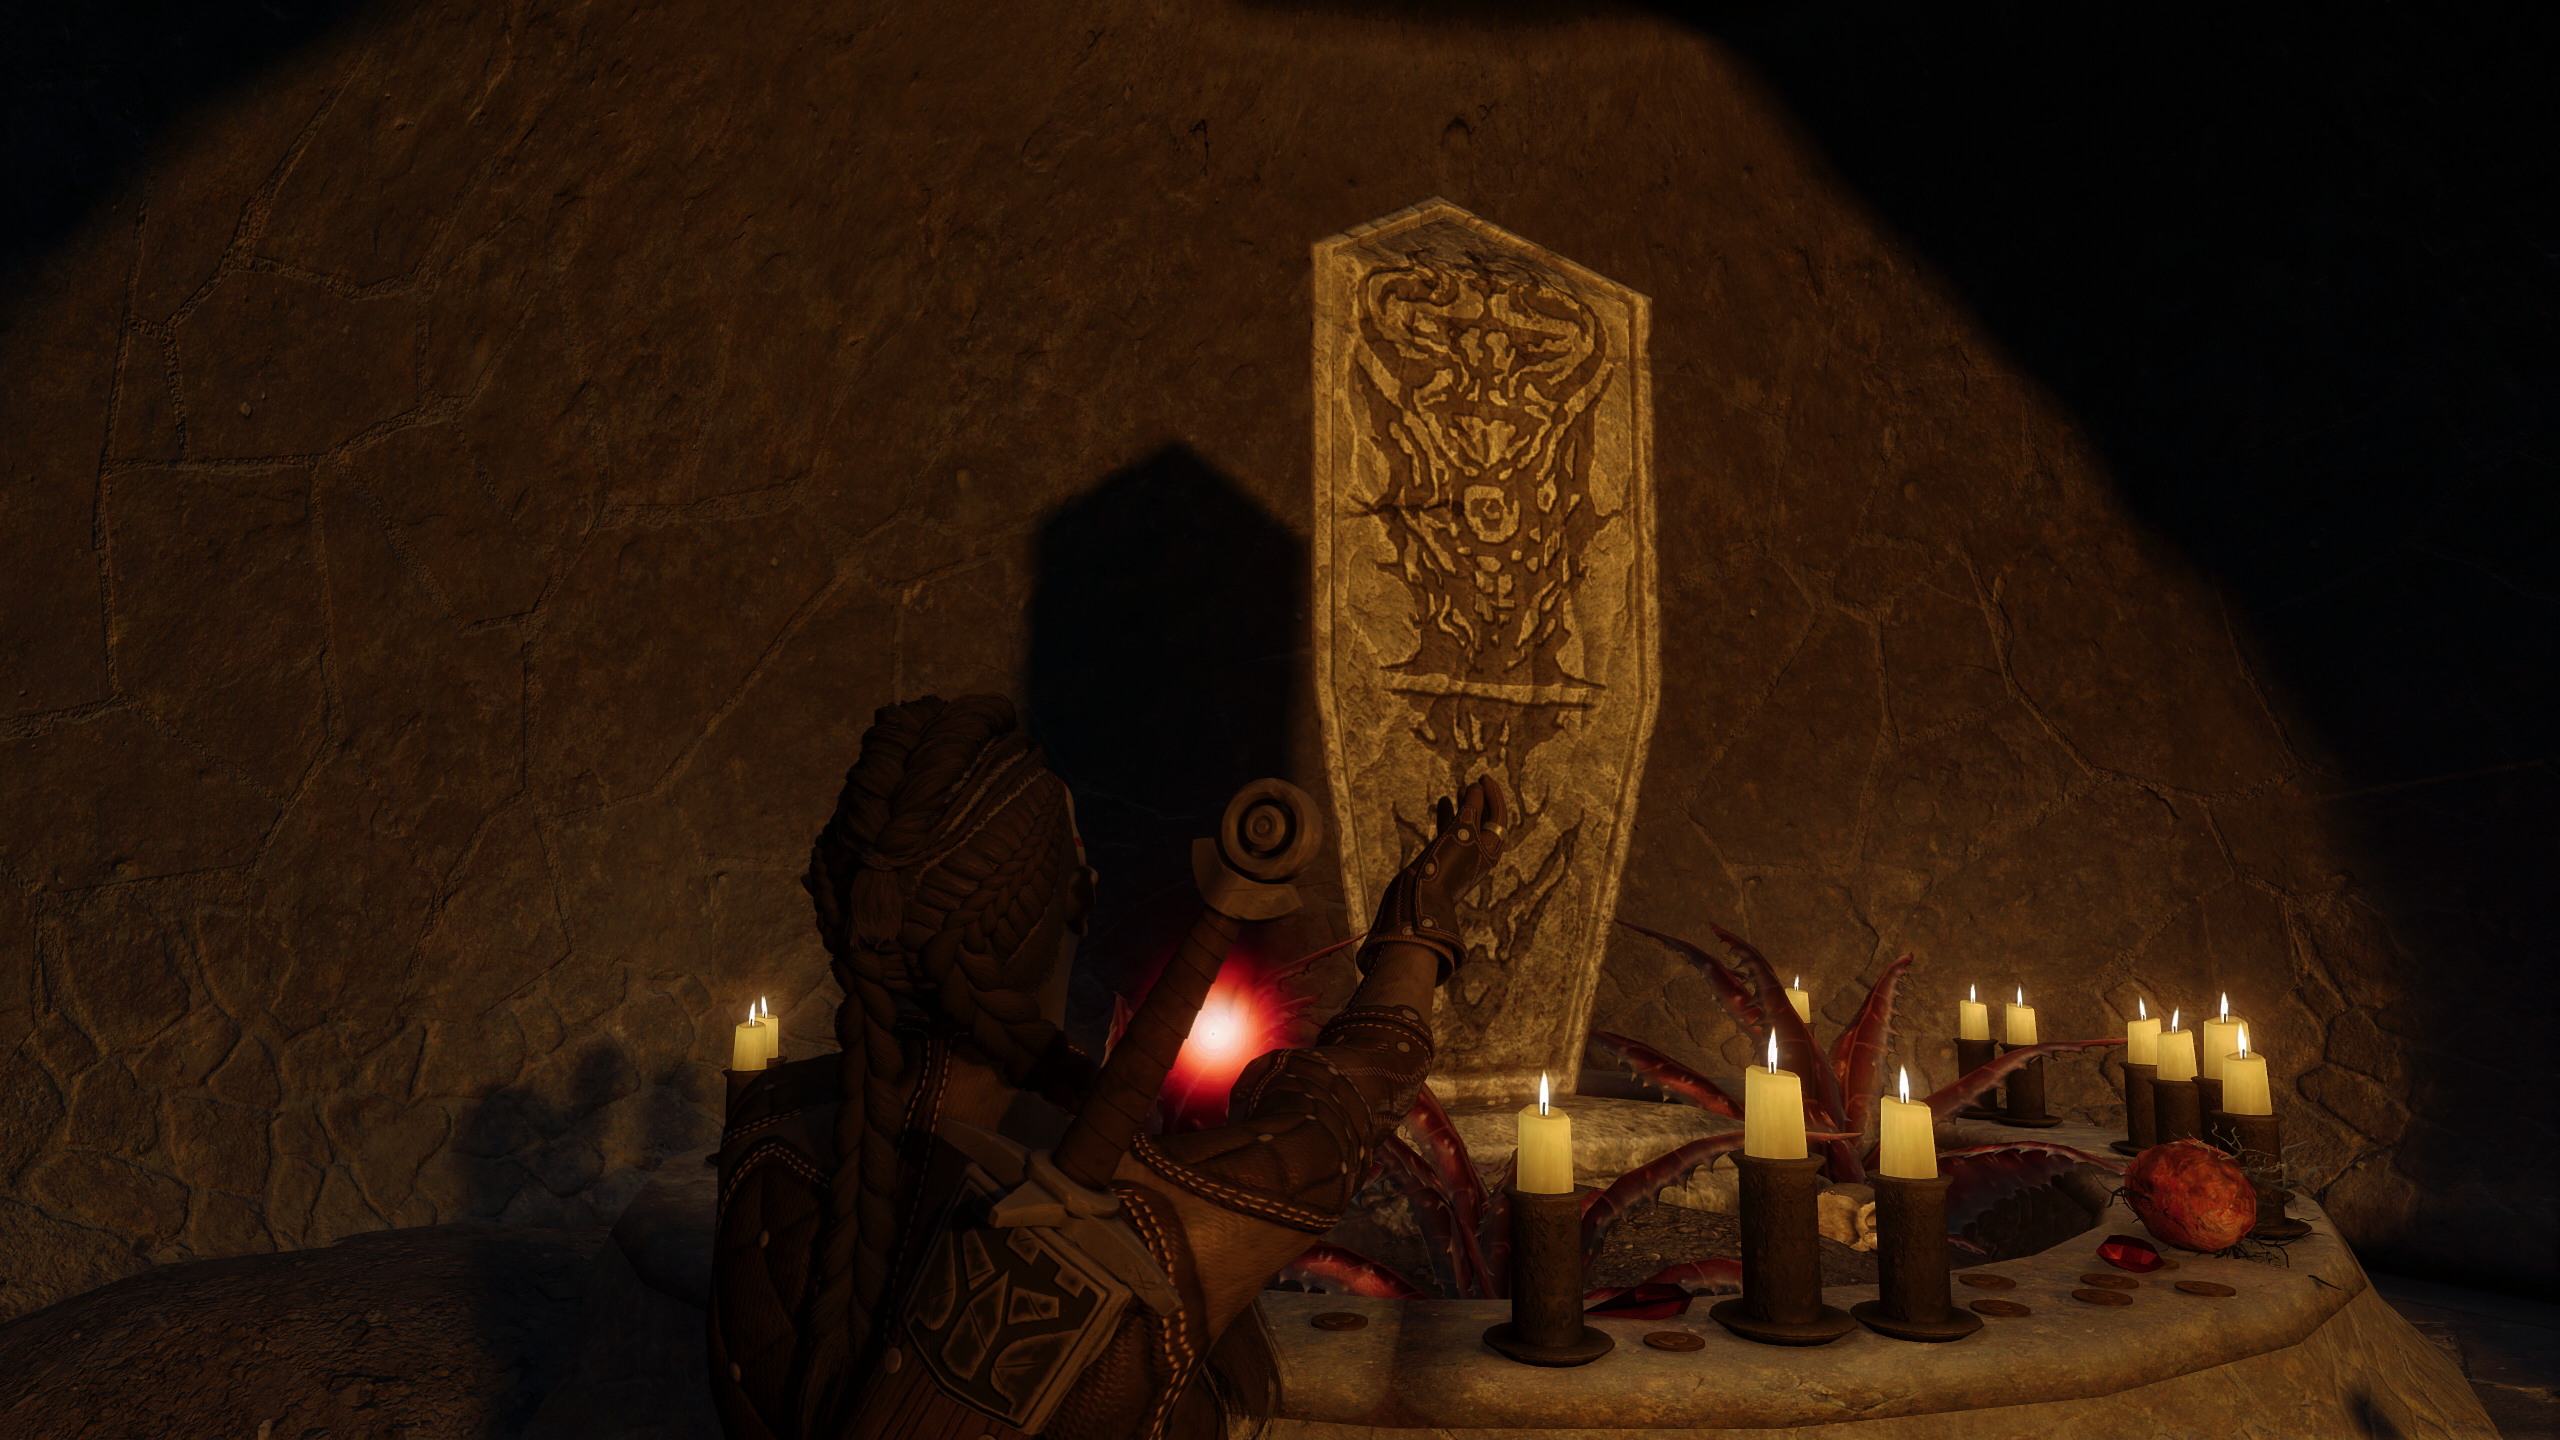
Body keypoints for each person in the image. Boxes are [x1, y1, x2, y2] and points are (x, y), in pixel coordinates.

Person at [708, 693, 1503, 1440]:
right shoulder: (1128, 1216)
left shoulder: (766, 1129)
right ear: (1079, 895)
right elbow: (1336, 1111)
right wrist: (1418, 923)